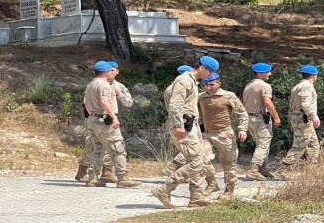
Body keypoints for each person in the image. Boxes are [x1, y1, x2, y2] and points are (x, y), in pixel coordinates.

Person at [151, 56, 219, 209]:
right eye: (209, 71)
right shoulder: (185, 80)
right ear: (201, 68)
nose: (210, 75)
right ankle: (165, 189)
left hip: (190, 125)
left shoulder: (192, 81)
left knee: (199, 160)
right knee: (196, 162)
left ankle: (196, 196)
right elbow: (176, 104)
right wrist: (178, 124)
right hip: (183, 125)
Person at [84, 61, 141, 188]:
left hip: (93, 118)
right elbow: (104, 101)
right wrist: (113, 117)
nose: (112, 72)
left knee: (97, 149)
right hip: (105, 120)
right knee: (118, 149)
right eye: (110, 70)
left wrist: (93, 115)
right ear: (105, 72)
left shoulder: (90, 84)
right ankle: (122, 178)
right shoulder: (104, 85)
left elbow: (86, 104)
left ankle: (92, 177)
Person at [198, 73, 249, 199]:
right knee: (200, 159)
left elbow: (242, 113)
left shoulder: (228, 96)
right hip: (207, 134)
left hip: (224, 134)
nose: (208, 87)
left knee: (229, 163)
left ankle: (229, 189)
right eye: (205, 85)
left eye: (211, 85)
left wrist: (242, 129)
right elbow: (197, 115)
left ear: (219, 84)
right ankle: (212, 183)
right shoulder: (201, 97)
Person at [242, 62, 281, 181]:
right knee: (263, 144)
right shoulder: (264, 86)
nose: (269, 74)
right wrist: (276, 117)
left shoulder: (248, 86)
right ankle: (253, 170)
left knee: (262, 144)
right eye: (267, 71)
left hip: (249, 118)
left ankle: (262, 169)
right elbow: (267, 102)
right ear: (260, 73)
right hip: (260, 119)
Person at [279, 65, 321, 171]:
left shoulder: (298, 86)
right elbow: (305, 104)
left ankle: (311, 170)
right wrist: (314, 117)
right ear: (313, 75)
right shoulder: (307, 86)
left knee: (313, 144)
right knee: (300, 145)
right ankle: (285, 169)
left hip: (301, 118)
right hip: (303, 118)